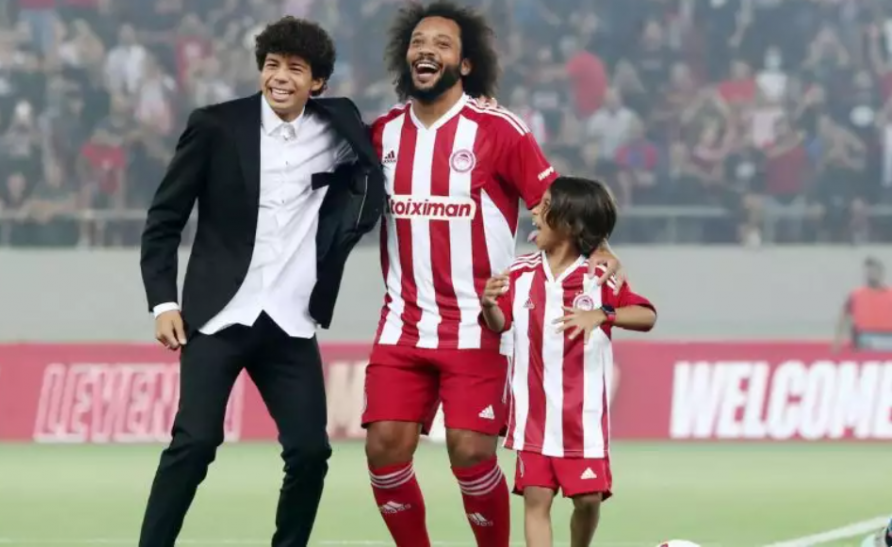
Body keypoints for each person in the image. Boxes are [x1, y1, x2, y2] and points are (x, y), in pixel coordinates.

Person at [361, 3, 622, 546]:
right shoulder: (382, 134)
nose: (426, 50)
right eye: (418, 42)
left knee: (471, 449)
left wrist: (599, 249)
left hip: (481, 325)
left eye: (442, 43)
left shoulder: (498, 129)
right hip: (403, 323)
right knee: (383, 446)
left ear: (466, 64)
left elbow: (553, 202)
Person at [137, 16, 384, 547]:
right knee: (195, 443)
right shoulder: (215, 126)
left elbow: (381, 156)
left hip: (290, 322)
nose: (280, 77)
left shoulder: (338, 125)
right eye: (272, 65)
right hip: (217, 317)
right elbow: (163, 220)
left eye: (295, 69)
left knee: (311, 452)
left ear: (317, 82)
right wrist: (163, 303)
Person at [479, 176, 656, 547]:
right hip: (533, 418)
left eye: (545, 207)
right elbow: (499, 323)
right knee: (536, 500)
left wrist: (603, 314)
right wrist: (489, 304)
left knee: (588, 500)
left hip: (583, 420)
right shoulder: (520, 272)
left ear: (571, 223)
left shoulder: (599, 276)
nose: (534, 213)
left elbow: (646, 315)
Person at [833, 257, 892, 352]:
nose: (872, 274)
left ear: (881, 273)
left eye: (875, 271)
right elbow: (843, 318)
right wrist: (837, 343)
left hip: (888, 339)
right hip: (865, 340)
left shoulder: (890, 294)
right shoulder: (856, 294)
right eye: (869, 271)